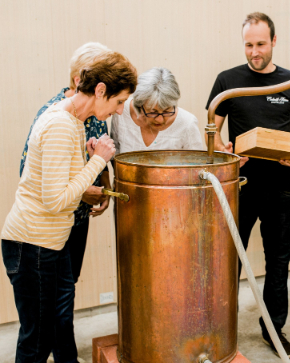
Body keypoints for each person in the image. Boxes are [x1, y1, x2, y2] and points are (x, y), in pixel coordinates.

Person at [1, 51, 137, 363]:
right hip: (32, 243)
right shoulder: (62, 124)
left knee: (48, 330)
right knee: (36, 341)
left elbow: (59, 183)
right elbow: (57, 200)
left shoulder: (73, 120)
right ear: (100, 90)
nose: (118, 112)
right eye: (118, 102)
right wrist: (98, 161)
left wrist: (87, 159)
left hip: (48, 242)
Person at [206, 12, 290, 359]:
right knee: (229, 262)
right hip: (241, 186)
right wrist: (225, 151)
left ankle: (273, 330)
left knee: (278, 261)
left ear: (274, 42)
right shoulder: (228, 81)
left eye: (261, 44)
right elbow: (211, 132)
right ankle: (222, 331)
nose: (254, 51)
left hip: (282, 186)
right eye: (249, 45)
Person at [20, 42, 113, 285]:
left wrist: (106, 188)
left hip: (78, 218)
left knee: (68, 284)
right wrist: (83, 193)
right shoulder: (54, 117)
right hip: (52, 221)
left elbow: (99, 161)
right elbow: (37, 179)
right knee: (54, 295)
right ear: (80, 79)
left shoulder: (97, 115)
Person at [111, 67, 204, 154]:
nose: (160, 120)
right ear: (139, 106)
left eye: (167, 111)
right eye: (152, 112)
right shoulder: (121, 112)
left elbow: (197, 166)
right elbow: (115, 156)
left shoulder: (187, 123)